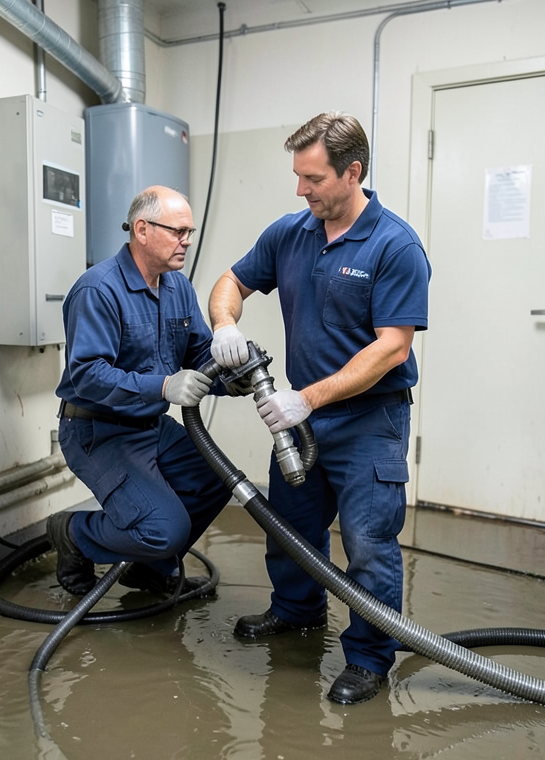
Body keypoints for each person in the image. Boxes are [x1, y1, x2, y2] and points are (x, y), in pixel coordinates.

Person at [208, 112, 431, 705]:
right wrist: (225, 322)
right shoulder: (291, 232)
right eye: (297, 177)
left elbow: (392, 347)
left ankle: (368, 657)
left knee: (367, 542)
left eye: (312, 178)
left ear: (352, 172)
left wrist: (305, 398)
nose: (300, 190)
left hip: (368, 421)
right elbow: (231, 279)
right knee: (290, 529)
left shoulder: (394, 245)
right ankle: (296, 612)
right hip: (301, 418)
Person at [48, 185, 233, 598]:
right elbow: (88, 376)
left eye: (190, 232)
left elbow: (199, 352)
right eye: (178, 231)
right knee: (165, 530)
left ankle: (150, 570)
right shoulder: (98, 289)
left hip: (148, 425)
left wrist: (232, 370)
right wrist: (165, 386)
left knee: (218, 479)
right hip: (97, 431)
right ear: (143, 229)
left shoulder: (177, 287)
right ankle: (75, 534)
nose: (186, 241)